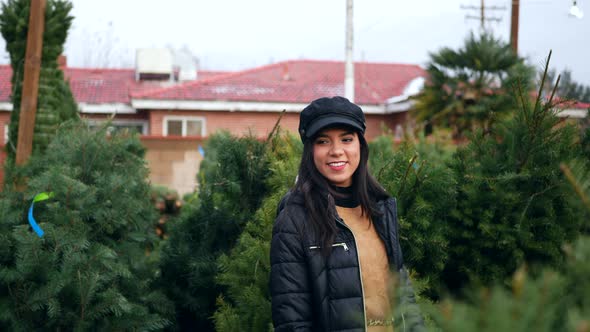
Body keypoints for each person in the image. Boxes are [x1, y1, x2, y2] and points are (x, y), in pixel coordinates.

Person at [270, 96, 424, 332]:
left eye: (347, 139)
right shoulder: (294, 219)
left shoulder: (380, 210)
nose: (336, 151)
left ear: (360, 146)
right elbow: (293, 322)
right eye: (323, 141)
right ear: (311, 151)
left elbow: (405, 298)